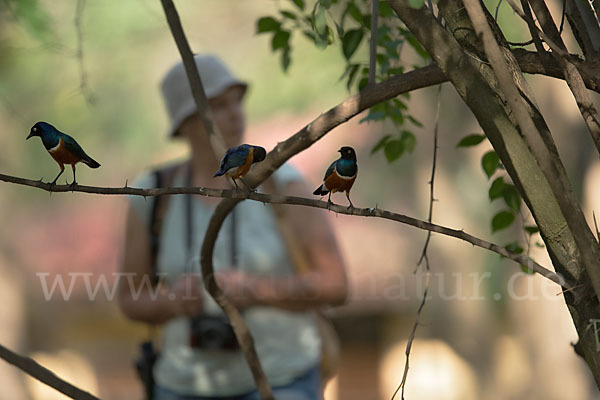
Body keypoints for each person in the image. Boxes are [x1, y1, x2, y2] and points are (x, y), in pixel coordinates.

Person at [118, 54, 349, 400]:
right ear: (184, 122)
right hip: (181, 386)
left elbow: (336, 285)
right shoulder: (153, 194)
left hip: (281, 381)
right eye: (217, 105)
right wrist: (173, 301)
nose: (235, 113)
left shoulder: (283, 184)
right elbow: (129, 300)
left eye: (236, 101)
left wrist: (256, 291)